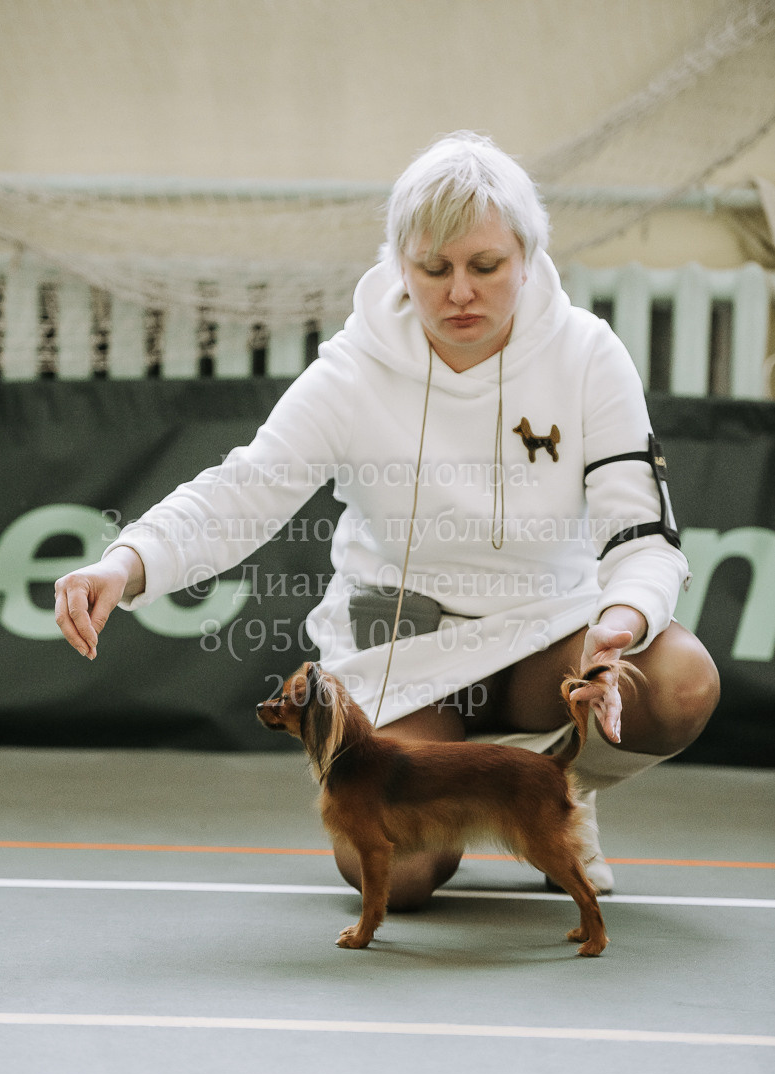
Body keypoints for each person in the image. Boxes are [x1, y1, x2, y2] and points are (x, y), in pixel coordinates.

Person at [55, 131, 720, 908]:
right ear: (400, 264)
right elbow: (244, 492)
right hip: (407, 645)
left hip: (549, 638)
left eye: (485, 266)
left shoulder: (587, 354)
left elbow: (641, 535)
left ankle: (557, 789)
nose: (458, 292)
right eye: (432, 269)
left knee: (676, 682)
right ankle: (496, 794)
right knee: (396, 875)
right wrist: (126, 562)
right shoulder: (352, 368)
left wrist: (622, 619)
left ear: (529, 258)